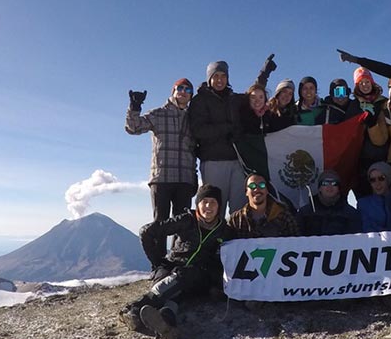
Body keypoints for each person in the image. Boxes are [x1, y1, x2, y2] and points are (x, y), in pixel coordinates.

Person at [120, 183, 234, 339]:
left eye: (213, 202)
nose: (208, 206)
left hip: (197, 275)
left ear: (219, 206)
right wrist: (157, 263)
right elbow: (146, 232)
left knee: (183, 277)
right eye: (204, 201)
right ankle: (166, 320)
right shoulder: (187, 220)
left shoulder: (223, 230)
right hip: (173, 267)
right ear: (198, 204)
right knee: (173, 288)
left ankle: (134, 309)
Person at [187, 55, 277, 214]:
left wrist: (264, 73)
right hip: (214, 161)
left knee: (240, 209)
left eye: (223, 76)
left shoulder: (233, 99)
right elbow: (198, 130)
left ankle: (239, 232)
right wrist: (227, 128)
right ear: (209, 78)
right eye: (216, 76)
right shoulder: (199, 100)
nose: (220, 80)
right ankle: (217, 232)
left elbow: (253, 94)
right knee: (216, 207)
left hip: (237, 161)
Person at [124, 79, 197, 223]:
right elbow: (133, 128)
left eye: (188, 90)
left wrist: (194, 176)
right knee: (160, 224)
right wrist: (134, 107)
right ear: (173, 91)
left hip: (185, 179)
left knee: (182, 225)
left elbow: (195, 149)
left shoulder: (193, 118)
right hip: (162, 178)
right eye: (180, 88)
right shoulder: (158, 114)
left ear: (191, 96)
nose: (183, 91)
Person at [352, 68, 389, 197]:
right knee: (366, 197)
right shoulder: (354, 105)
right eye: (361, 83)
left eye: (367, 81)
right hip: (362, 159)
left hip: (384, 156)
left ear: (372, 82)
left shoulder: (383, 102)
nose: (365, 85)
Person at [227, 173, 302, 238]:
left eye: (261, 185)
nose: (257, 189)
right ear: (246, 192)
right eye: (252, 186)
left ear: (267, 191)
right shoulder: (235, 220)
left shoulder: (284, 216)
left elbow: (297, 243)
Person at [298, 169, 362, 235]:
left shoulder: (351, 214)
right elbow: (298, 238)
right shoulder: (304, 213)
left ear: (339, 188)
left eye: (334, 184)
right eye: (325, 183)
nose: (329, 186)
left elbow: (355, 238)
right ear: (319, 188)